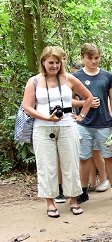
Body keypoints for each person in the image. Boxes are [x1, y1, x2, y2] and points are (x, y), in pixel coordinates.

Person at [22, 46, 93, 217]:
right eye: (50, 62)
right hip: (42, 127)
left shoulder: (69, 78)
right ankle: (50, 202)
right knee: (47, 165)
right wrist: (47, 118)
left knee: (70, 163)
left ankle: (74, 200)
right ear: (43, 62)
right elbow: (27, 107)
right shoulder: (34, 81)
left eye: (57, 62)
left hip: (67, 125)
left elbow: (88, 97)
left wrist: (81, 116)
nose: (54, 66)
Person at [74, 43, 112, 204]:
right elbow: (68, 100)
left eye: (96, 58)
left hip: (104, 123)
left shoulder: (107, 76)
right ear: (83, 57)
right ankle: (83, 191)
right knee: (84, 158)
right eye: (90, 58)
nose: (94, 61)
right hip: (84, 124)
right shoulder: (76, 76)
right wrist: (84, 103)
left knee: (109, 156)